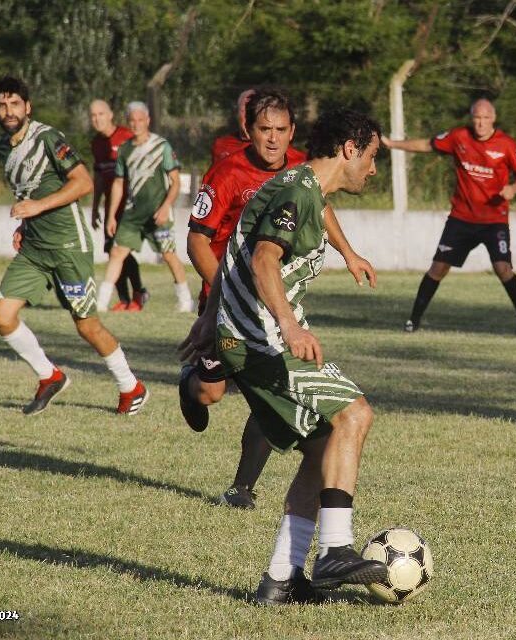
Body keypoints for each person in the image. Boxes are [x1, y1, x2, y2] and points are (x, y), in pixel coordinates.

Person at [179, 108, 387, 604]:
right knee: (355, 414)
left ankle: (280, 580)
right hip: (263, 341)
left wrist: (348, 252)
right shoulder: (297, 190)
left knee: (321, 450)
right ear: (350, 149)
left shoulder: (302, 184)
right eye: (373, 157)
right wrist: (289, 325)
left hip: (245, 335)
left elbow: (249, 239)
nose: (374, 169)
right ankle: (335, 549)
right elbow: (263, 256)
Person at [0, 76, 148, 415]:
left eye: (15, 103)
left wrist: (37, 208)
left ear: (27, 107)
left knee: (86, 325)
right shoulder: (4, 147)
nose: (9, 110)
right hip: (34, 247)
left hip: (67, 246)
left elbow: (83, 182)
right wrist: (24, 223)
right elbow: (29, 192)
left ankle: (131, 387)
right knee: (1, 317)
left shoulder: (47, 138)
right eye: (2, 105)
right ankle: (50, 377)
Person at [383, 98, 516, 334]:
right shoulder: (459, 137)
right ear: (471, 118)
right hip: (461, 218)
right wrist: (393, 144)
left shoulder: (507, 144)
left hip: (494, 220)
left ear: (493, 119)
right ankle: (413, 320)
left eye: (486, 118)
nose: (481, 123)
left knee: (503, 268)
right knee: (438, 268)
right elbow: (427, 145)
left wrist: (513, 189)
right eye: (477, 118)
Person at [96, 101, 193, 313]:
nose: (136, 124)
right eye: (132, 120)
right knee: (117, 253)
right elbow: (119, 183)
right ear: (128, 123)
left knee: (168, 255)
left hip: (159, 213)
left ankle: (186, 301)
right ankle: (101, 303)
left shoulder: (162, 147)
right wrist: (112, 215)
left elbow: (175, 182)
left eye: (140, 120)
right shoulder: (125, 149)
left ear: (148, 121)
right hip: (132, 215)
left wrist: (166, 206)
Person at [89, 99, 147, 311]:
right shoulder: (96, 143)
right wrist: (95, 207)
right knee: (111, 250)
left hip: (130, 206)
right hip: (110, 207)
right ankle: (124, 299)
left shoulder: (126, 137)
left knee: (119, 250)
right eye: (93, 115)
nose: (97, 119)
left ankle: (139, 293)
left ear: (111, 114)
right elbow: (98, 177)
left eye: (101, 114)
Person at [210, 89, 255, 165]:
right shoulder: (222, 145)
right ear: (237, 113)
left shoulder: (273, 145)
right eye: (244, 110)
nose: (249, 116)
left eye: (253, 111)